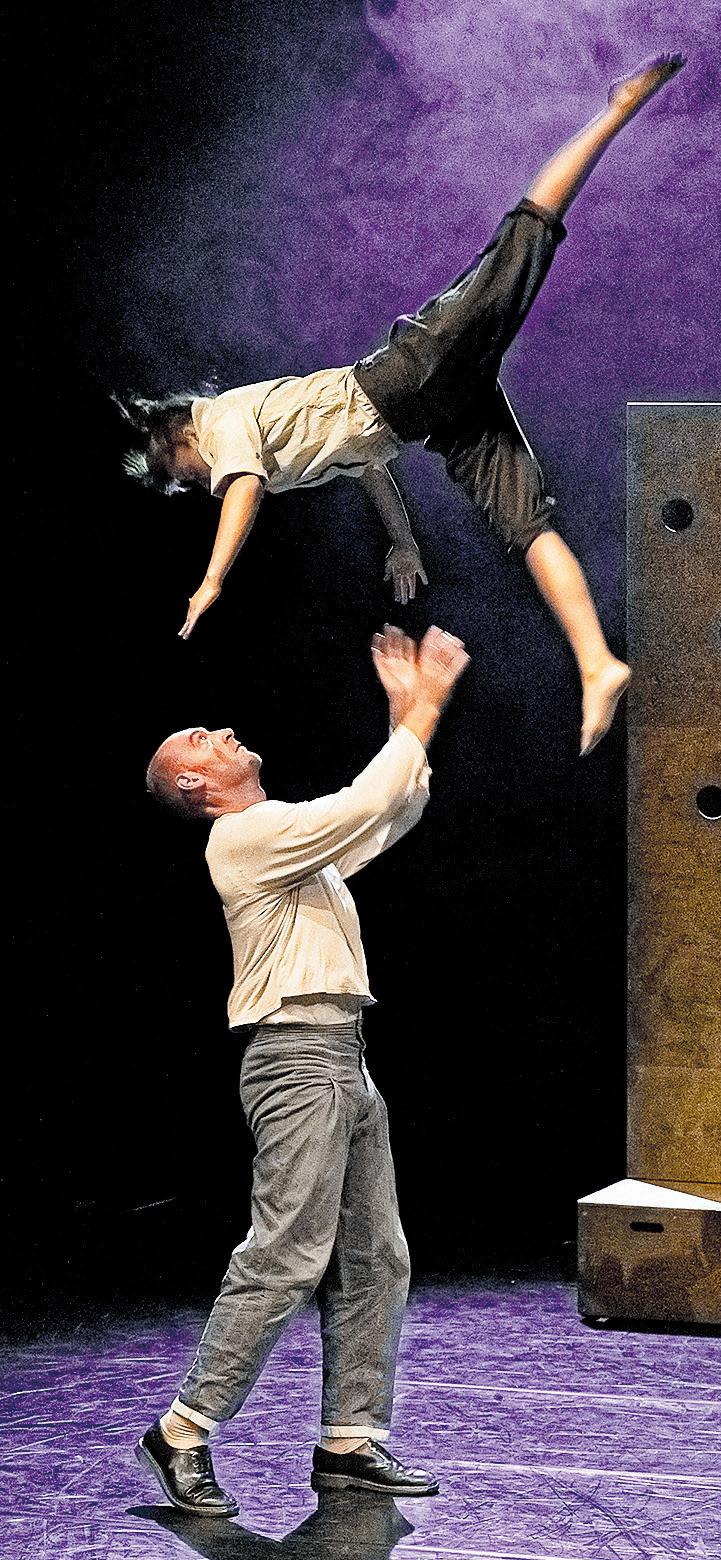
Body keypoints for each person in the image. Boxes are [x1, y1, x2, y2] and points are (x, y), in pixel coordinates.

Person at [116, 55, 685, 754]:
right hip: (432, 414)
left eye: (186, 477)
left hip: (410, 374)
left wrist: (211, 582)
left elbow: (243, 487)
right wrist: (403, 541)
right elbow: (370, 467)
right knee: (525, 525)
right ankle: (597, 662)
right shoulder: (264, 449)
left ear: (181, 439)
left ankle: (616, 109)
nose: (199, 485)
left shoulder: (223, 423)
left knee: (524, 234)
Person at [135, 624, 469, 1515]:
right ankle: (180, 1431)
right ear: (195, 785)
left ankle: (348, 1441)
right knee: (285, 1255)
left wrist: (406, 715)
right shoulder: (245, 839)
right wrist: (425, 705)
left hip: (341, 1055)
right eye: (200, 739)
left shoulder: (285, 844)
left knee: (375, 1257)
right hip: (295, 1060)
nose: (220, 730)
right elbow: (367, 800)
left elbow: (390, 811)